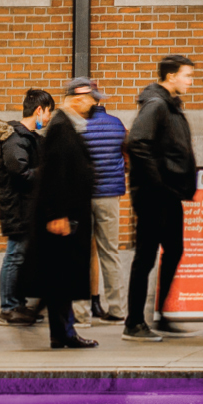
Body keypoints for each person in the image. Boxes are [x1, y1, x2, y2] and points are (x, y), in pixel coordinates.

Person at [121, 54, 199, 341]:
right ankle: (133, 323)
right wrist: (159, 182)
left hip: (168, 194)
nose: (190, 81)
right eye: (187, 75)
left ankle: (162, 316)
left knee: (174, 250)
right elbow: (137, 143)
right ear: (170, 77)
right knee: (145, 257)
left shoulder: (169, 105)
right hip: (155, 195)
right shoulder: (156, 104)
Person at [24, 82, 101, 349]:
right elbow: (54, 173)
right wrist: (58, 214)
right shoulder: (60, 128)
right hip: (62, 216)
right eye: (90, 99)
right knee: (60, 277)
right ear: (77, 99)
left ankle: (62, 331)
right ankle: (61, 331)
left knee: (61, 278)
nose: (93, 104)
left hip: (68, 214)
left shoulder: (67, 126)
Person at [0, 89, 54, 323]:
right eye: (48, 113)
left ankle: (18, 304)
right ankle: (8, 308)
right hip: (17, 207)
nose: (48, 119)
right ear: (39, 110)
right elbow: (21, 173)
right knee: (14, 255)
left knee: (22, 256)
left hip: (27, 206)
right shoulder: (15, 139)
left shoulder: (29, 138)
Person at [73, 79, 130, 324]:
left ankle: (81, 314)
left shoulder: (77, 126)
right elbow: (128, 158)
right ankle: (117, 309)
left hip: (83, 196)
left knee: (82, 254)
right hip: (109, 197)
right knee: (111, 252)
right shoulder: (117, 125)